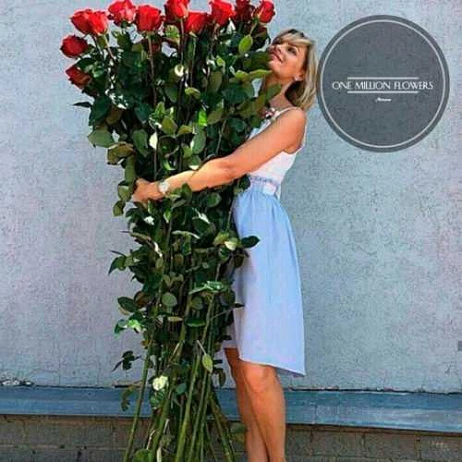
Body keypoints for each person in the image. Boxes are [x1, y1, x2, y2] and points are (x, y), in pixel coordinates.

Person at [132, 28, 318, 462]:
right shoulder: (241, 109)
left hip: (260, 236)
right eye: (279, 43)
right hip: (225, 232)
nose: (279, 49)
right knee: (238, 364)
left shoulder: (292, 118)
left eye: (292, 50)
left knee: (256, 368)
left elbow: (231, 167)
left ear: (301, 73)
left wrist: (159, 188)